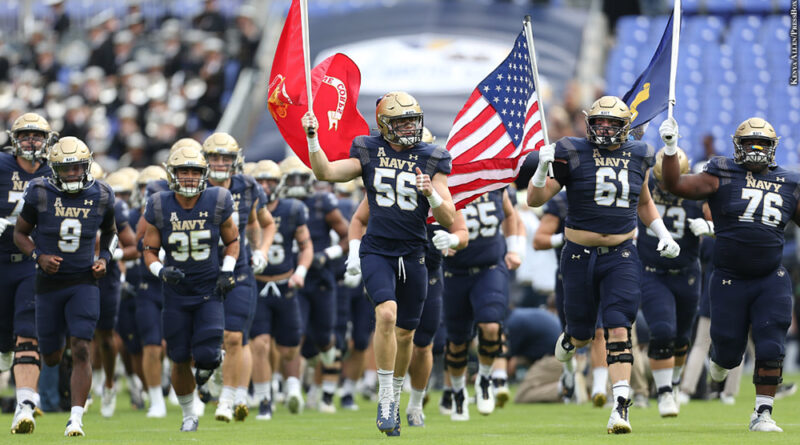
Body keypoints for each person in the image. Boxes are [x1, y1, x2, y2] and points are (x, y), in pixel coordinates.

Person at [303, 91, 456, 436]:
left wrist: (430, 193)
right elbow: (327, 171)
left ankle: (396, 393)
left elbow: (448, 216)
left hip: (414, 253)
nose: (408, 128)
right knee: (386, 313)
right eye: (400, 121)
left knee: (407, 334)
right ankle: (386, 396)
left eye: (412, 120)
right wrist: (313, 139)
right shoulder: (369, 149)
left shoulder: (433, 156)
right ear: (385, 125)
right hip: (377, 249)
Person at [526, 96, 680, 434]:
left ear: (625, 127)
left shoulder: (639, 154)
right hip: (579, 254)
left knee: (617, 327)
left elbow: (645, 203)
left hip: (621, 253)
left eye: (612, 123)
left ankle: (620, 407)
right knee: (582, 334)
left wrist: (663, 234)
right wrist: (540, 170)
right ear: (588, 123)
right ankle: (571, 338)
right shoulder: (572, 151)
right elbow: (534, 200)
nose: (605, 128)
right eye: (599, 122)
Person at [661, 116, 797, 432]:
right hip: (729, 278)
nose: (756, 150)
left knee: (771, 343)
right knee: (727, 350)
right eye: (750, 144)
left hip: (770, 277)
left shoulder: (789, 182)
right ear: (738, 146)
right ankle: (720, 363)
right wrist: (670, 150)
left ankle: (763, 413)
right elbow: (675, 184)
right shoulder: (720, 173)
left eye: (762, 145)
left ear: (773, 148)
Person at [14, 136, 118, 437]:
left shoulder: (101, 193)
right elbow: (21, 234)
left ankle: (75, 419)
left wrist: (104, 258)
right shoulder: (39, 192)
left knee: (83, 347)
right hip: (48, 284)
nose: (72, 173)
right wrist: (38, 255)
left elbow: (110, 232)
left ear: (86, 166)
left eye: (77, 168)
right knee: (51, 356)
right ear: (54, 168)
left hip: (83, 283)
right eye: (66, 168)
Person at [141, 145, 240, 432]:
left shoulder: (218, 199)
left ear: (204, 174)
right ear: (172, 174)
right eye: (183, 171)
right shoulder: (159, 204)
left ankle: (213, 367)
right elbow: (148, 249)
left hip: (209, 289)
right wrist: (161, 270)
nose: (188, 177)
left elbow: (233, 241)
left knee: (207, 354)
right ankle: (188, 416)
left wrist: (227, 270)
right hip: (176, 293)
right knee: (179, 356)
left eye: (194, 171)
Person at [348, 194, 469, 427]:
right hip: (389, 264)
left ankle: (415, 404)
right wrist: (357, 252)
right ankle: (387, 396)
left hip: (427, 272)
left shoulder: (441, 193)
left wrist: (453, 239)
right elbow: (361, 219)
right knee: (387, 319)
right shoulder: (389, 183)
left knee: (422, 344)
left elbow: (462, 231)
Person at [202, 132, 275, 422]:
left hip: (238, 267)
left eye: (225, 158)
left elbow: (262, 223)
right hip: (202, 269)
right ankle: (206, 387)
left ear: (236, 161)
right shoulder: (193, 184)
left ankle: (230, 399)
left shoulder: (247, 185)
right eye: (215, 157)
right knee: (205, 339)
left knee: (235, 336)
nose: (220, 163)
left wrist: (261, 251)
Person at [636, 147, 712, 417]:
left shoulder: (696, 190)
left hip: (687, 272)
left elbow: (722, 220)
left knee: (681, 338)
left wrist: (710, 228)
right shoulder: (645, 186)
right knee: (662, 331)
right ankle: (665, 392)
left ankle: (675, 382)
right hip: (652, 270)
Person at [441, 188, 523, 421]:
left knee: (491, 326)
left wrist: (514, 248)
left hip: (489, 267)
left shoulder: (495, 182)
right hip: (454, 272)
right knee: (457, 342)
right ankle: (457, 392)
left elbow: (510, 215)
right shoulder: (447, 182)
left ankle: (485, 379)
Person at [0, 113, 55, 434]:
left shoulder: (55, 173)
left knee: (27, 333)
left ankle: (25, 407)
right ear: (14, 139)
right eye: (25, 135)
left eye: (37, 135)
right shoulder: (2, 166)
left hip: (30, 263)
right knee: (6, 337)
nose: (31, 141)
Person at [249, 159, 313, 419]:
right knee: (260, 345)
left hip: (285, 282)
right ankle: (265, 399)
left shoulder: (293, 208)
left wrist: (300, 272)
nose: (265, 186)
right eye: (261, 181)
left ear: (279, 183)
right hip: (258, 284)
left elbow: (306, 246)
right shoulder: (247, 208)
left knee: (290, 347)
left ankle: (293, 388)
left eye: (270, 181)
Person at [95, 170, 140, 418]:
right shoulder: (54, 201)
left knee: (105, 335)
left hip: (104, 276)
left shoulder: (110, 206)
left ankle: (109, 383)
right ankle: (89, 386)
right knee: (76, 337)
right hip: (68, 275)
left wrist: (108, 255)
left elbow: (132, 246)